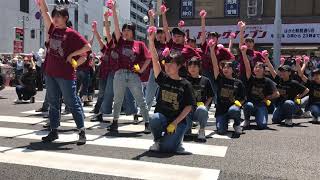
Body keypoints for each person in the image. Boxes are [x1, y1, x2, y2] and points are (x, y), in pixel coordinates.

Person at [37, 0, 91, 145]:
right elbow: (45, 13)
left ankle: (81, 131)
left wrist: (72, 54)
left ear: (65, 18)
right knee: (53, 103)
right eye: (55, 16)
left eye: (59, 16)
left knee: (71, 102)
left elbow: (87, 47)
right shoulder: (53, 29)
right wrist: (42, 3)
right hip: (50, 73)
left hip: (66, 75)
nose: (55, 18)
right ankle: (54, 131)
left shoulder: (71, 33)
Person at [148, 29, 194, 153]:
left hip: (178, 121)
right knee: (154, 119)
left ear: (179, 66)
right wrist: (151, 41)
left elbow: (189, 107)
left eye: (171, 64)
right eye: (166, 64)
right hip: (162, 118)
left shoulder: (186, 84)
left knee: (168, 149)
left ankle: (177, 140)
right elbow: (155, 60)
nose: (167, 67)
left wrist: (175, 122)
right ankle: (158, 140)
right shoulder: (163, 78)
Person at [107, 1, 151, 133]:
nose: (126, 32)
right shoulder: (120, 42)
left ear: (133, 32)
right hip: (119, 74)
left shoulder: (140, 44)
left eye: (128, 30)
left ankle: (147, 123)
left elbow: (148, 58)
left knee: (140, 100)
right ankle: (114, 123)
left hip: (133, 75)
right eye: (124, 30)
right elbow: (115, 25)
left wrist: (141, 70)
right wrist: (114, 11)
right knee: (118, 100)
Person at [210, 40, 245, 135]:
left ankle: (237, 124)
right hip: (221, 111)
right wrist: (212, 50)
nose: (225, 69)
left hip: (233, 108)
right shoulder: (220, 79)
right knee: (221, 131)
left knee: (234, 110)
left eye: (228, 67)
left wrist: (238, 104)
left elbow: (243, 98)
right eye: (224, 67)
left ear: (233, 70)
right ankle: (224, 121)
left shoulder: (238, 82)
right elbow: (215, 65)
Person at [241, 48, 280, 129]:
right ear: (254, 70)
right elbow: (247, 66)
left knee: (262, 125)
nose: (257, 69)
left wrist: (267, 98)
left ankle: (260, 115)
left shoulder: (268, 81)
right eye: (256, 67)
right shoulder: (250, 78)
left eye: (260, 67)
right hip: (251, 104)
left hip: (261, 105)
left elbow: (277, 94)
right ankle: (247, 120)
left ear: (264, 70)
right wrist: (244, 53)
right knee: (248, 105)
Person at [265, 57, 309, 126]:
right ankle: (298, 112)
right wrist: (266, 59)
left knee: (288, 103)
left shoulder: (293, 83)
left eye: (284, 71)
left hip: (292, 104)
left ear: (289, 73)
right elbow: (272, 70)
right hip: (281, 105)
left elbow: (307, 90)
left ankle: (289, 118)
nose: (282, 73)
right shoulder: (279, 80)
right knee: (275, 120)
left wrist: (298, 96)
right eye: (281, 71)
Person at [185, 57, 214, 141]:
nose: (192, 68)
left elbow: (211, 95)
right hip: (187, 110)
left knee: (202, 109)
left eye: (194, 66)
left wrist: (205, 106)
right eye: (190, 67)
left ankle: (201, 130)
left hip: (199, 109)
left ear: (199, 67)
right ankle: (187, 129)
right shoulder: (185, 80)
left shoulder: (205, 80)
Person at [296, 57, 320, 123]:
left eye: (318, 74)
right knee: (315, 112)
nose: (316, 76)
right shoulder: (311, 83)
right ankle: (312, 114)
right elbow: (300, 74)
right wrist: (303, 63)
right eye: (314, 75)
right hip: (313, 104)